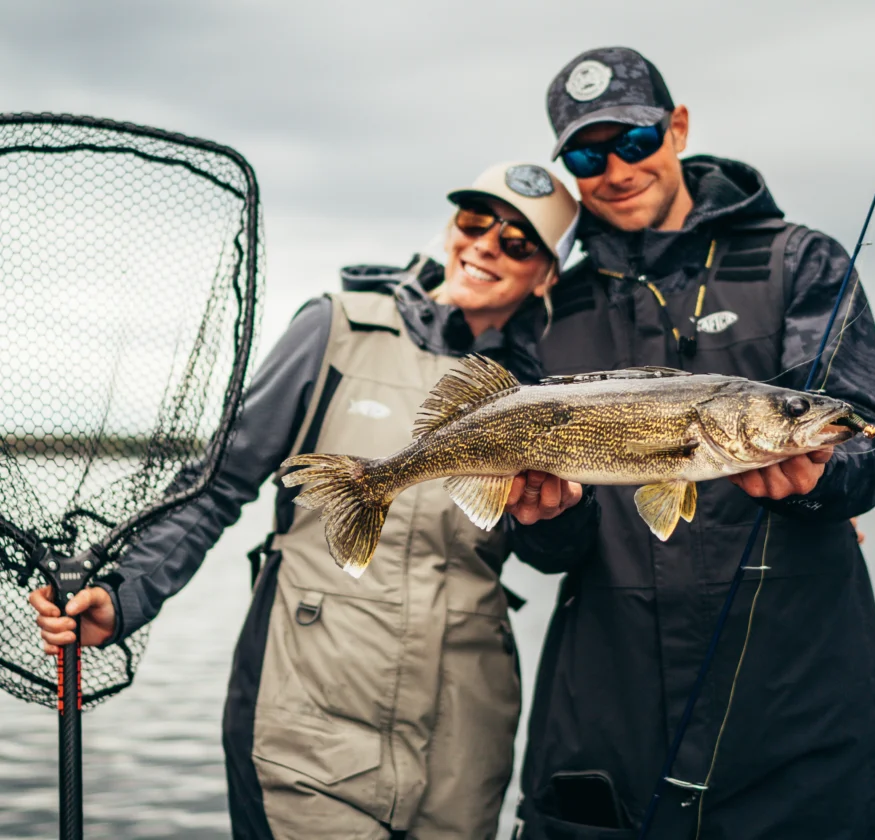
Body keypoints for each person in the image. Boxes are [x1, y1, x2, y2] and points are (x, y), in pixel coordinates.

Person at [30, 162, 596, 840]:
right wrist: (127, 594)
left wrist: (559, 514)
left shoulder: (549, 382)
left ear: (549, 273)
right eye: (475, 222)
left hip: (465, 746)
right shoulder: (336, 327)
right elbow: (216, 483)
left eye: (518, 242)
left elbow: (556, 552)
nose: (484, 246)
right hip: (308, 724)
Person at [509, 47, 875, 839]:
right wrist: (541, 517)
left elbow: (869, 435)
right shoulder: (548, 310)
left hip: (797, 695)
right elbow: (552, 550)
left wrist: (821, 479)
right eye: (589, 153)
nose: (616, 169)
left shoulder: (800, 261)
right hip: (608, 700)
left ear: (677, 127)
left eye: (634, 141)